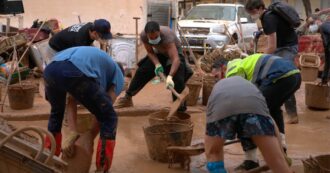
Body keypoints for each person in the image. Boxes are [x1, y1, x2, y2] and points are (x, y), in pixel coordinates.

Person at [43, 46, 124, 172]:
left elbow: (71, 101)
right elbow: (104, 112)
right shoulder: (118, 75)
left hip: (50, 70)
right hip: (74, 70)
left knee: (57, 113)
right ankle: (102, 168)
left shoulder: (97, 65)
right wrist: (90, 135)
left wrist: (73, 133)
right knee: (110, 118)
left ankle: (47, 159)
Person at [215, 53, 301, 170]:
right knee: (273, 110)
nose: (220, 79)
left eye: (217, 76)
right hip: (294, 76)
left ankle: (251, 161)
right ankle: (282, 151)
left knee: (246, 113)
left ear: (223, 68)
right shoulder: (243, 63)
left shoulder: (232, 69)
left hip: (280, 76)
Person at [205, 76, 292, 173]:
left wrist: (212, 146)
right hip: (254, 107)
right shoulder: (252, 87)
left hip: (222, 106)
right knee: (276, 160)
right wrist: (281, 154)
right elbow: (272, 124)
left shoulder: (217, 88)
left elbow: (210, 121)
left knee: (213, 153)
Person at [115, 21, 193, 111]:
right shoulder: (144, 36)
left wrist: (170, 76)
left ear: (159, 31)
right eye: (151, 37)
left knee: (177, 78)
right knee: (143, 70)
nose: (153, 39)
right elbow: (150, 52)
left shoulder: (167, 36)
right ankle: (127, 97)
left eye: (156, 37)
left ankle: (179, 108)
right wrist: (157, 64)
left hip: (174, 54)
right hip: (159, 53)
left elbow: (175, 59)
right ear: (147, 34)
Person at [245, 0, 299, 124]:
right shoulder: (268, 16)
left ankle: (292, 115)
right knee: (275, 75)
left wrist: (259, 59)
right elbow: (276, 29)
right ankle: (275, 106)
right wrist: (262, 32)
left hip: (287, 47)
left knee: (285, 75)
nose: (252, 15)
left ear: (260, 8)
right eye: (250, 13)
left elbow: (272, 46)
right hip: (285, 45)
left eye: (253, 12)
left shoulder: (268, 18)